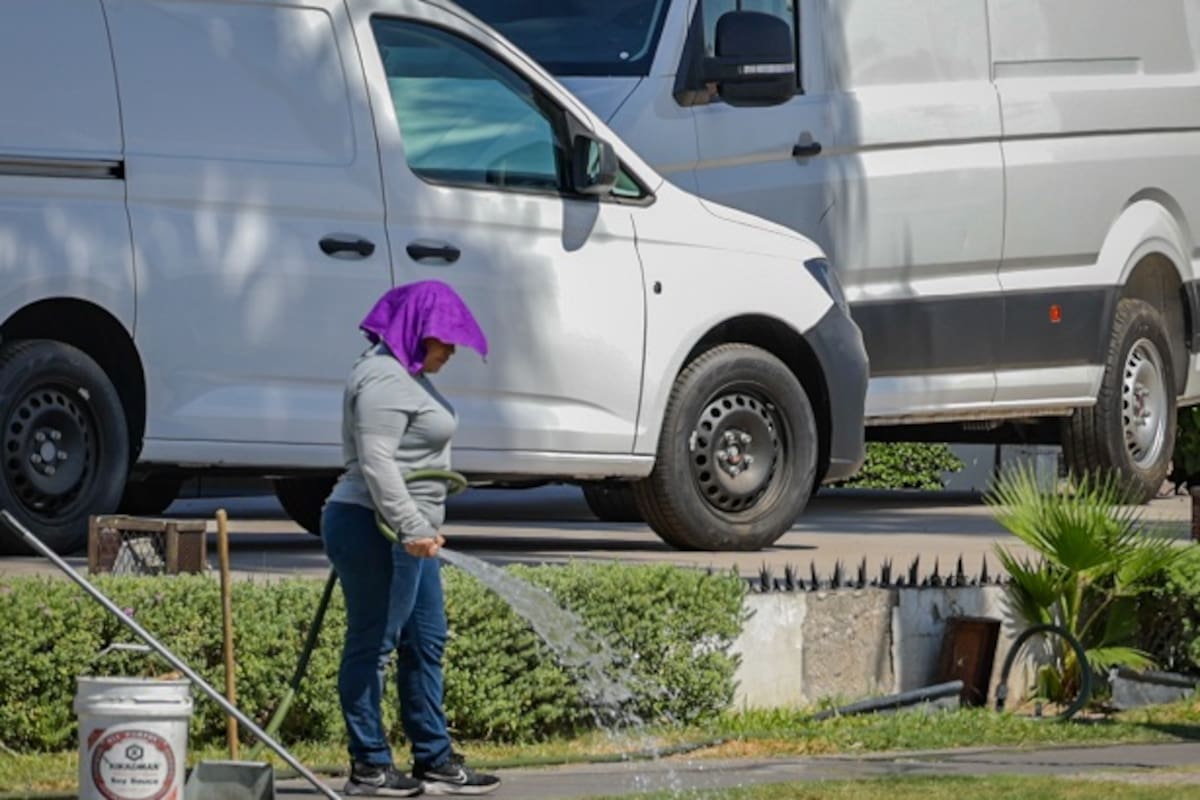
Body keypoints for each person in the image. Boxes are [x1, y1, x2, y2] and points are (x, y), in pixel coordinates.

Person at [321, 280, 499, 797]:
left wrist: (417, 528)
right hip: (372, 526)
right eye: (444, 338)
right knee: (374, 644)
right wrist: (412, 526)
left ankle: (434, 758)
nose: (452, 349)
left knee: (426, 639)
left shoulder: (405, 376)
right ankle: (370, 766)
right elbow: (377, 463)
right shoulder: (382, 378)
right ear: (417, 332)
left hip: (406, 533)